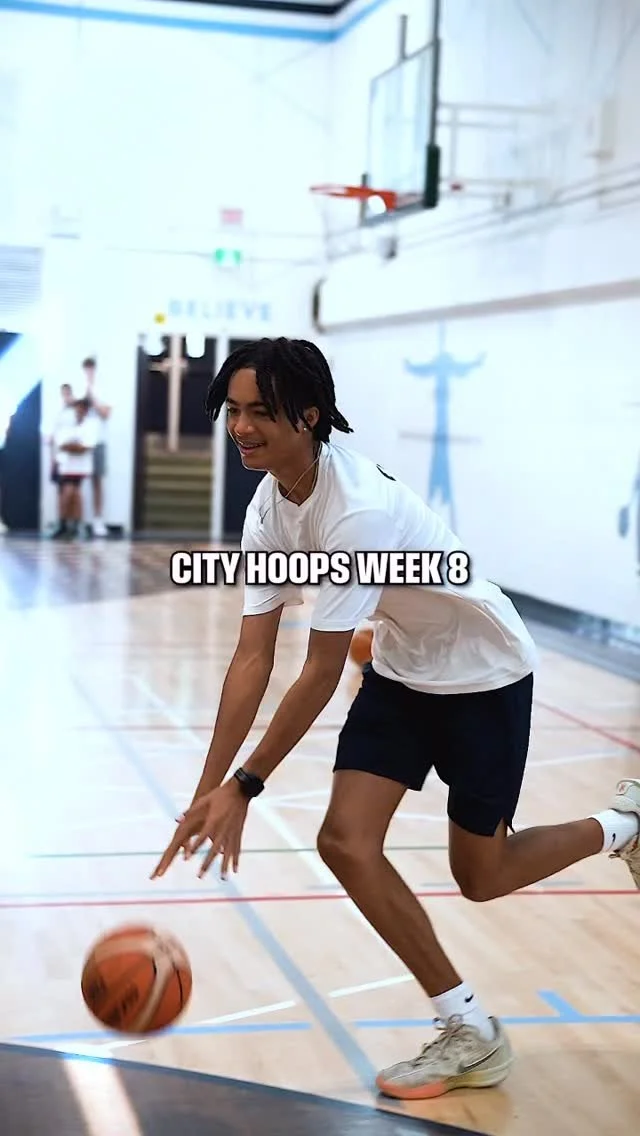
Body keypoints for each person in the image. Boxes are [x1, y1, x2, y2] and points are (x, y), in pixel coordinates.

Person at [152, 337, 640, 1101]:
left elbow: (319, 670)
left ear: (309, 416)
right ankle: (470, 1029)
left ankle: (624, 826)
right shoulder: (269, 506)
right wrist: (208, 790)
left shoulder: (357, 512)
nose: (240, 428)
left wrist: (246, 786)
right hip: (404, 669)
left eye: (259, 412)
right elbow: (252, 657)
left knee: (482, 876)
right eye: (233, 411)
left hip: (484, 672)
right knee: (344, 841)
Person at [54, 397, 98, 539]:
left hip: (80, 467)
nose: (79, 411)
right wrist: (75, 447)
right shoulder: (67, 425)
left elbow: (86, 447)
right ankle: (65, 523)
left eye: (81, 408)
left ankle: (74, 524)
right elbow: (61, 444)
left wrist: (72, 447)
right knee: (68, 494)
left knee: (74, 493)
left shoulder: (90, 426)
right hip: (67, 466)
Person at [82, 357, 111, 537]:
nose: (89, 372)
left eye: (91, 369)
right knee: (76, 480)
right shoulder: (79, 388)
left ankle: (98, 519)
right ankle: (76, 521)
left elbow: (106, 413)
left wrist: (93, 398)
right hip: (80, 440)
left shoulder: (103, 390)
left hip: (98, 440)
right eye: (87, 369)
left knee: (97, 480)